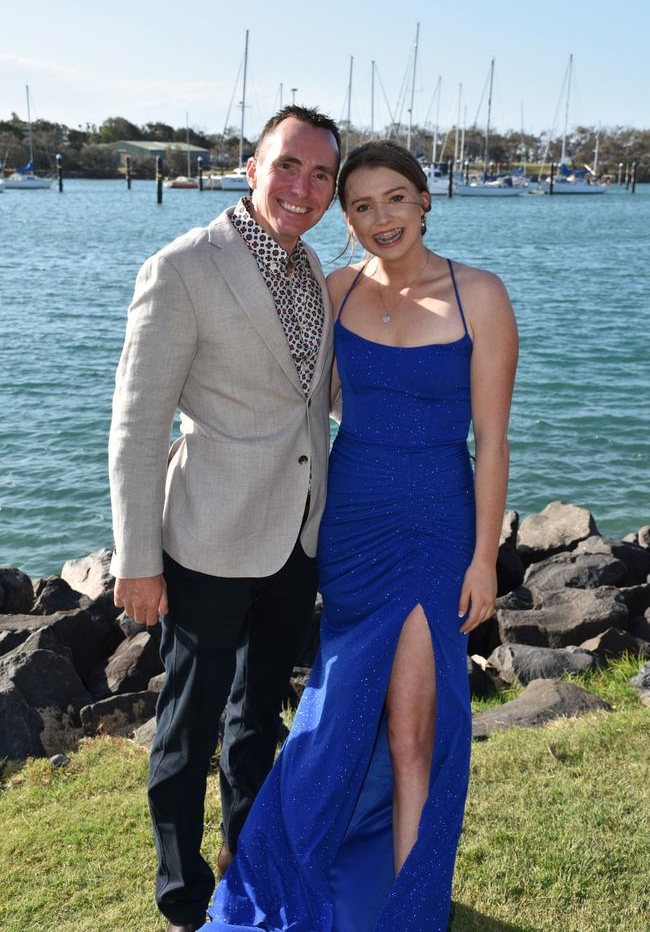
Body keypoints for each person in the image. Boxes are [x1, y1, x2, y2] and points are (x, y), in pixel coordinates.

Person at [200, 139, 518, 932]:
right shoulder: (336, 290)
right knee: (339, 711)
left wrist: (484, 557)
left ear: (425, 200)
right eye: (363, 206)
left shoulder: (479, 294)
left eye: (396, 200)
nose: (382, 219)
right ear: (347, 218)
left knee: (414, 729)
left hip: (438, 527)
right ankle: (288, 862)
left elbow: (493, 441)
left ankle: (413, 912)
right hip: (353, 524)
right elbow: (298, 392)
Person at [108, 105, 342, 932]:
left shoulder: (316, 269)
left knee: (256, 718)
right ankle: (181, 897)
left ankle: (247, 863)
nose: (303, 187)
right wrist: (136, 559)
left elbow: (319, 397)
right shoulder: (181, 267)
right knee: (188, 723)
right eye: (288, 166)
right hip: (205, 535)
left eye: (321, 175)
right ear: (252, 167)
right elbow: (137, 426)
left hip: (295, 538)